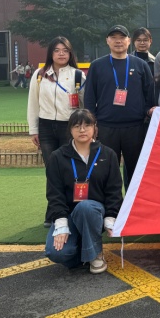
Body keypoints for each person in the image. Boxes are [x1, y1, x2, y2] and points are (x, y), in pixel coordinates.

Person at [45, 109, 123, 274]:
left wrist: (111, 216)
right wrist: (61, 223)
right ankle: (85, 248)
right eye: (77, 126)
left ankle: (95, 254)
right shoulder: (57, 157)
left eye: (87, 125)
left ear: (95, 128)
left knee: (86, 207)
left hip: (96, 213)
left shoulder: (108, 154)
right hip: (69, 214)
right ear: (70, 129)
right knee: (57, 253)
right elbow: (54, 194)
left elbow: (114, 190)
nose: (82, 130)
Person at [84, 25, 154, 190]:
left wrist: (145, 113)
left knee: (136, 171)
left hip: (135, 127)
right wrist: (92, 124)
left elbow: (150, 94)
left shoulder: (140, 65)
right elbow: (89, 97)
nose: (118, 41)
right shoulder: (97, 65)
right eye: (114, 37)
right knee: (107, 170)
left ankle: (133, 203)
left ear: (128, 41)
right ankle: (111, 203)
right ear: (107, 41)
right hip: (106, 127)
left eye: (122, 37)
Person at [28, 36, 85, 227]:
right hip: (46, 128)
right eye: (57, 50)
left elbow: (84, 105)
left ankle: (71, 209)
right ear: (50, 53)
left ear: (70, 53)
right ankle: (53, 210)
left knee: (70, 168)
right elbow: (33, 104)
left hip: (69, 127)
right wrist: (34, 129)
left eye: (65, 50)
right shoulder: (40, 75)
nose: (61, 54)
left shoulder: (78, 75)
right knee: (52, 170)